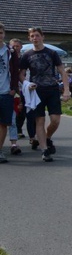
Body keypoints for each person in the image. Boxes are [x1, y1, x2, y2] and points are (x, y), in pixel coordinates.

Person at [19, 27, 69, 162]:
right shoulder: (27, 55)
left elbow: (62, 71)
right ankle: (44, 150)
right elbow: (21, 74)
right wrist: (27, 83)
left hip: (52, 89)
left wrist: (66, 90)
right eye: (32, 36)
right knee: (39, 120)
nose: (35, 38)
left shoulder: (52, 53)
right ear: (29, 38)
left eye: (37, 35)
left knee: (55, 120)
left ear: (42, 37)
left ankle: (47, 137)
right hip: (36, 91)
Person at [0, 23, 21, 163]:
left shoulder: (10, 51)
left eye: (0, 32)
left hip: (5, 92)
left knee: (3, 124)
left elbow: (15, 72)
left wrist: (14, 89)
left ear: (4, 34)